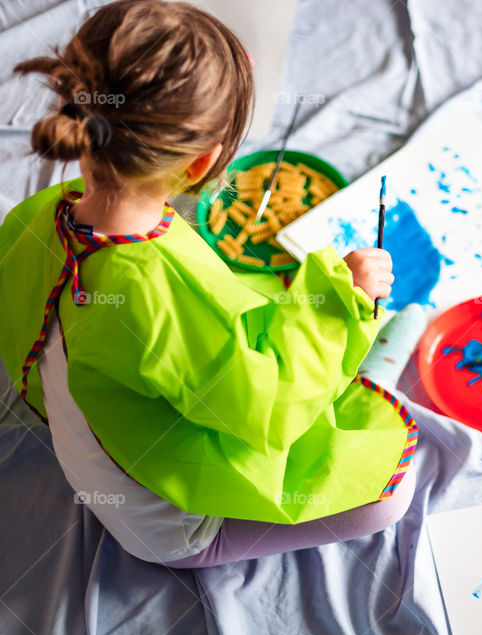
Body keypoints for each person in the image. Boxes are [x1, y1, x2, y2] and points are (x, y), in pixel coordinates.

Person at [0, 0, 418, 568]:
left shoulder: (36, 214)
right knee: (388, 500)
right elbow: (268, 406)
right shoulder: (155, 292)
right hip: (169, 527)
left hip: (106, 438)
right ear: (202, 165)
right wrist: (341, 302)